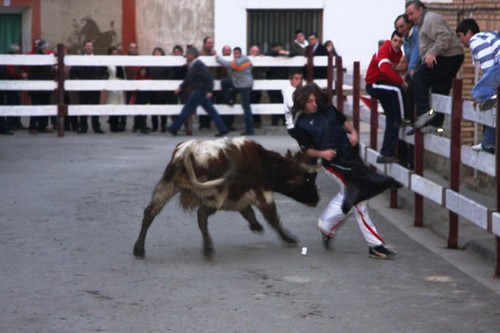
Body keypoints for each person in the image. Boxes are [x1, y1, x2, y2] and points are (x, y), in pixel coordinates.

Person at [289, 83, 398, 259]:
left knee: (350, 196)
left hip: (350, 156)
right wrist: (322, 153)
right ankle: (375, 245)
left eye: (315, 100)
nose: (314, 104)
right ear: (302, 103)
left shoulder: (327, 109)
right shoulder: (301, 125)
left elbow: (343, 122)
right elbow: (306, 150)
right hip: (333, 165)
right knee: (358, 200)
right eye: (309, 102)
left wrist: (354, 133)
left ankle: (326, 225)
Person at [405, 0, 464, 133]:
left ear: (420, 9)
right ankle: (436, 123)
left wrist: (433, 53)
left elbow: (445, 35)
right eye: (407, 15)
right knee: (440, 88)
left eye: (411, 13)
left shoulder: (430, 18)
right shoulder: (422, 23)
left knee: (418, 78)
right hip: (451, 56)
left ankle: (424, 113)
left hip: (449, 56)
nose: (409, 17)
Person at [365, 30, 408, 163]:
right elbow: (384, 69)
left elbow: (390, 70)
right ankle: (402, 118)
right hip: (374, 84)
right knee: (397, 90)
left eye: (400, 42)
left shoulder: (399, 53)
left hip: (383, 84)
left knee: (391, 121)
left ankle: (385, 154)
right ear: (391, 40)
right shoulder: (385, 48)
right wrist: (401, 81)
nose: (397, 44)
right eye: (395, 40)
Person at [456, 18, 499, 154]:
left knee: (477, 92)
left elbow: (489, 67)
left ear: (468, 33)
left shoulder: (476, 41)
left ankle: (494, 97)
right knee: (490, 105)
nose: (460, 41)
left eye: (460, 36)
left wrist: (483, 94)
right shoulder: (488, 36)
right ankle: (488, 142)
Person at [166, 47, 228, 137]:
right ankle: (223, 129)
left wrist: (209, 90)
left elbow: (209, 77)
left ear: (192, 55)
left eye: (187, 55)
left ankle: (174, 128)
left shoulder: (198, 64)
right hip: (200, 92)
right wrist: (180, 87)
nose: (186, 57)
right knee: (211, 111)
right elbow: (188, 79)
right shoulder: (193, 64)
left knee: (186, 110)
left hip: (199, 92)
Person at [70, 40, 108, 134]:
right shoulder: (78, 59)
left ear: (93, 47)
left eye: (90, 46)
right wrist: (78, 81)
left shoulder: (98, 59)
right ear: (84, 47)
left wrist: (100, 82)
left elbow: (105, 72)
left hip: (95, 88)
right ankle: (83, 127)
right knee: (83, 108)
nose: (89, 47)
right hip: (83, 88)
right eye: (87, 46)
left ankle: (96, 127)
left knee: (95, 108)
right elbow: (73, 72)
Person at [216, 46, 255, 135]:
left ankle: (250, 129)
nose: (235, 55)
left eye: (237, 53)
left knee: (246, 107)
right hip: (240, 83)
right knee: (224, 82)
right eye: (234, 53)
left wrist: (218, 58)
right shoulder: (246, 59)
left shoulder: (240, 60)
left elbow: (229, 65)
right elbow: (251, 67)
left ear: (240, 53)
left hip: (244, 85)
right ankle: (229, 100)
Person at [28, 40, 54, 135]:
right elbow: (32, 74)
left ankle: (43, 126)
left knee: (45, 107)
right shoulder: (36, 58)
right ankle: (33, 126)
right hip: (36, 88)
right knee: (35, 107)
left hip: (46, 87)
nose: (47, 49)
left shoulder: (48, 58)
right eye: (45, 47)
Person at [265, 42, 290, 126]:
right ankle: (274, 121)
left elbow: (293, 54)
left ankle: (284, 121)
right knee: (274, 101)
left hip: (283, 82)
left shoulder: (285, 55)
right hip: (272, 82)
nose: (279, 50)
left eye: (280, 48)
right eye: (277, 48)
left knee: (284, 101)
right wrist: (278, 52)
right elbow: (267, 53)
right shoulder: (271, 55)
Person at [5, 44, 28, 131]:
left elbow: (23, 67)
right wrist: (21, 75)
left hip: (17, 84)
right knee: (12, 103)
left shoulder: (17, 60)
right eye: (17, 51)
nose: (19, 53)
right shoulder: (8, 60)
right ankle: (11, 123)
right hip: (11, 84)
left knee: (18, 102)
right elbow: (11, 72)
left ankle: (17, 122)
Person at [149, 46, 171, 132]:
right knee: (153, 110)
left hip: (163, 90)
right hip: (153, 90)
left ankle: (163, 126)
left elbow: (169, 76)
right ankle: (155, 126)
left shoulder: (166, 64)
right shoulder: (150, 64)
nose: (157, 54)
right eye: (155, 52)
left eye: (159, 52)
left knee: (163, 109)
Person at [105, 46, 126, 132]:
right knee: (112, 104)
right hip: (112, 83)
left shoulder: (120, 61)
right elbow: (112, 71)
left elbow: (123, 73)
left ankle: (118, 123)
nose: (115, 54)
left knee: (120, 104)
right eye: (113, 53)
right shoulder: (108, 62)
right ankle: (113, 125)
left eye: (116, 52)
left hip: (120, 84)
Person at [198, 36, 217, 130]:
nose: (211, 45)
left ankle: (208, 123)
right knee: (203, 102)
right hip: (202, 82)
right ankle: (202, 123)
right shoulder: (201, 54)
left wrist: (215, 56)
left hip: (210, 81)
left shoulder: (213, 53)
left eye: (211, 43)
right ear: (204, 44)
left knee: (210, 102)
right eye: (209, 43)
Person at [281, 68, 303, 136]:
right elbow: (292, 105)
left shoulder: (297, 90)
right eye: (296, 79)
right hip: (294, 125)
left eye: (301, 79)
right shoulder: (289, 91)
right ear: (291, 80)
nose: (299, 81)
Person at [124, 42, 140, 132]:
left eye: (135, 48)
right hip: (127, 84)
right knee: (125, 105)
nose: (133, 49)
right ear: (129, 49)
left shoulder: (140, 58)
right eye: (131, 48)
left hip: (138, 84)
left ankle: (136, 125)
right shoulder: (125, 58)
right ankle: (122, 123)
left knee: (138, 105)